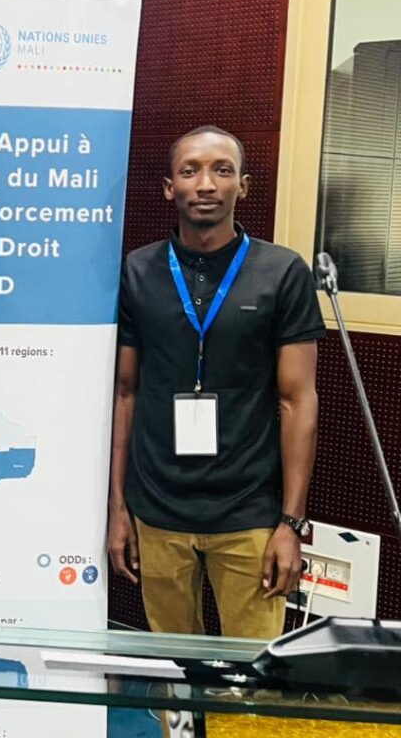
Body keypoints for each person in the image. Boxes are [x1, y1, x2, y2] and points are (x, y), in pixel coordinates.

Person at [107, 125, 325, 639]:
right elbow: (125, 393)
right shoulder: (138, 271)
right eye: (190, 171)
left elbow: (298, 401)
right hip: (157, 509)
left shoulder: (282, 272)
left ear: (243, 186)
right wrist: (119, 508)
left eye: (222, 170)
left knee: (254, 672)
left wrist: (291, 523)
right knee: (173, 667)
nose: (206, 184)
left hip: (249, 513)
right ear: (170, 188)